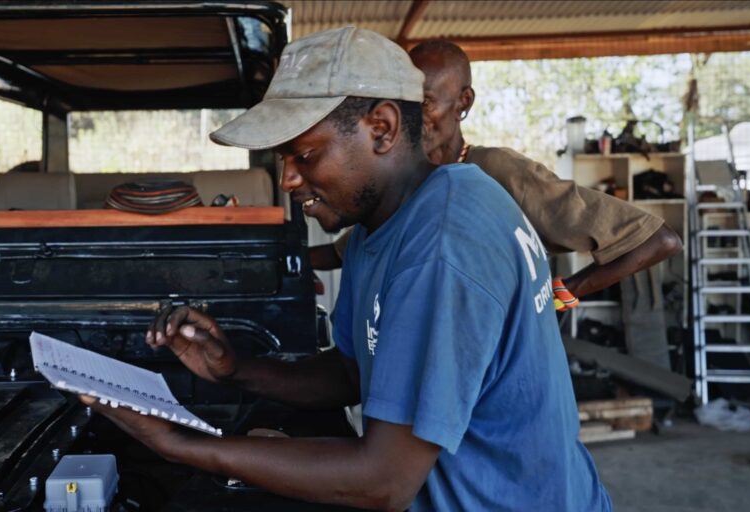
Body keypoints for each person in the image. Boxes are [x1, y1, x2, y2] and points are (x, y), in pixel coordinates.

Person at [81, 27, 611, 511]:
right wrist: (236, 369)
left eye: (306, 154)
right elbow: (357, 372)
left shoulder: (443, 242)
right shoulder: (379, 227)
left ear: (380, 128)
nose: (288, 179)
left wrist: (184, 445)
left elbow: (383, 481)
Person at [309, 40, 682, 306]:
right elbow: (344, 251)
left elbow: (656, 241)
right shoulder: (402, 181)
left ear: (463, 102)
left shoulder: (497, 172)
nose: (412, 117)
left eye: (425, 103)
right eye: (405, 104)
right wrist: (286, 261)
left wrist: (567, 292)